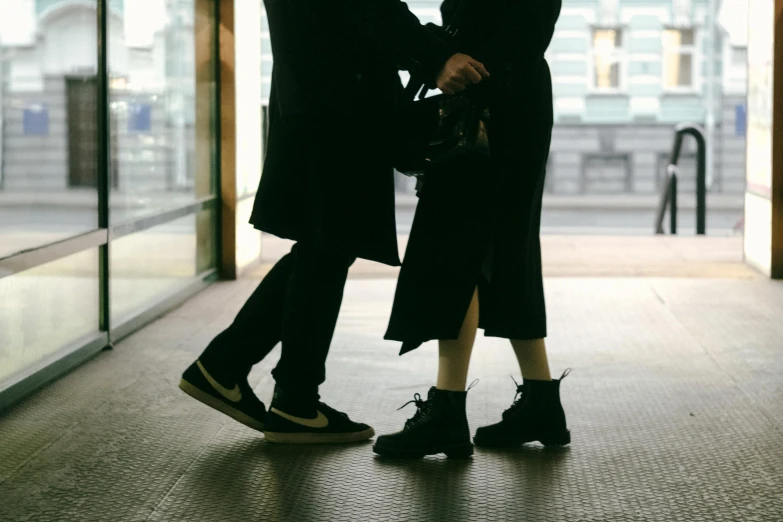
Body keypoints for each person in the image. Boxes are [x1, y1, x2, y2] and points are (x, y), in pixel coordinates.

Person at [179, 0, 489, 444]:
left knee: (323, 245)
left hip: (317, 96)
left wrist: (427, 47)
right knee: (328, 246)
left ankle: (230, 369)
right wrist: (436, 56)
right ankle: (293, 400)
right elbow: (367, 8)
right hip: (341, 103)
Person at [373, 0, 567, 458]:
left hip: (484, 97)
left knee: (451, 251)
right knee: (506, 250)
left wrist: (436, 53)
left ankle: (446, 411)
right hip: (516, 93)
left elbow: (486, 21)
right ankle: (540, 401)